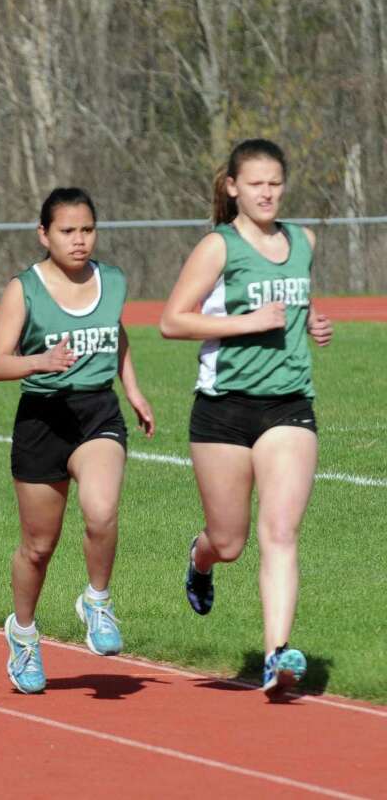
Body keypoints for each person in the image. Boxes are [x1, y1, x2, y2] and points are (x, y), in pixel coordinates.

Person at [160, 139, 332, 698]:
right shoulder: (219, 246)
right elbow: (172, 321)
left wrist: (311, 321)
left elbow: (293, 300)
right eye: (256, 183)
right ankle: (200, 558)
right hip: (224, 409)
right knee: (229, 541)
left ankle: (277, 654)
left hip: (289, 406)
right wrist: (248, 323)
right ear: (233, 187)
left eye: (275, 183)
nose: (267, 193)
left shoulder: (303, 241)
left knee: (280, 532)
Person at [0, 188, 154, 694]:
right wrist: (40, 361)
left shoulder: (114, 280)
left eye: (87, 230)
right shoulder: (24, 289)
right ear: (44, 234)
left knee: (101, 512)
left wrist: (133, 389)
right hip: (43, 419)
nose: (79, 240)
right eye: (67, 231)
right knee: (38, 547)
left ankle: (97, 601)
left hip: (97, 412)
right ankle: (23, 634)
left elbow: (115, 334)